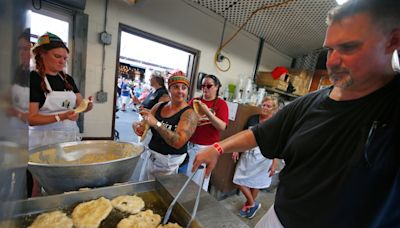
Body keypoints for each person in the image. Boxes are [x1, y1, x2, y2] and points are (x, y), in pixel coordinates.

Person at [193, 0, 400, 227]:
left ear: (393, 41)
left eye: (348, 47)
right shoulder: (310, 103)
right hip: (278, 218)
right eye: (330, 49)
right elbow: (260, 134)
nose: (333, 61)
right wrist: (218, 148)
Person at [29, 32, 93, 150]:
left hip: (70, 139)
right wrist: (61, 116)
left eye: (64, 58)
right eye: (57, 56)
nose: (62, 61)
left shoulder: (67, 79)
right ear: (42, 54)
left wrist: (87, 105)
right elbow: (31, 119)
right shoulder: (33, 78)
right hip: (43, 143)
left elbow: (80, 105)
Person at [133, 70, 198, 180]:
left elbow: (178, 142)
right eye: (176, 87)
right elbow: (143, 124)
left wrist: (156, 123)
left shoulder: (189, 114)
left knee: (161, 195)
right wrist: (137, 126)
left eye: (184, 88)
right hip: (152, 158)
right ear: (169, 89)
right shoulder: (159, 106)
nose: (180, 91)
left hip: (170, 164)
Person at [231, 95, 279, 218]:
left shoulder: (275, 123)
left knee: (256, 183)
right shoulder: (252, 119)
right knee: (238, 179)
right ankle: (253, 204)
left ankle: (248, 205)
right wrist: (236, 149)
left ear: (273, 109)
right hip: (248, 154)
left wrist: (274, 162)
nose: (265, 107)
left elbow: (277, 143)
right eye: (263, 105)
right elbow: (243, 134)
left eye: (268, 106)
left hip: (264, 157)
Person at [182, 74, 229, 191]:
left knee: (198, 181)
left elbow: (222, 126)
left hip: (206, 148)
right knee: (186, 177)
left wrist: (208, 113)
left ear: (217, 87)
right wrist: (193, 122)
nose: (205, 88)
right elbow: (184, 118)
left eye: (209, 86)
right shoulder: (195, 101)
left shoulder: (221, 104)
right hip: (189, 144)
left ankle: (193, 204)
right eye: (203, 86)